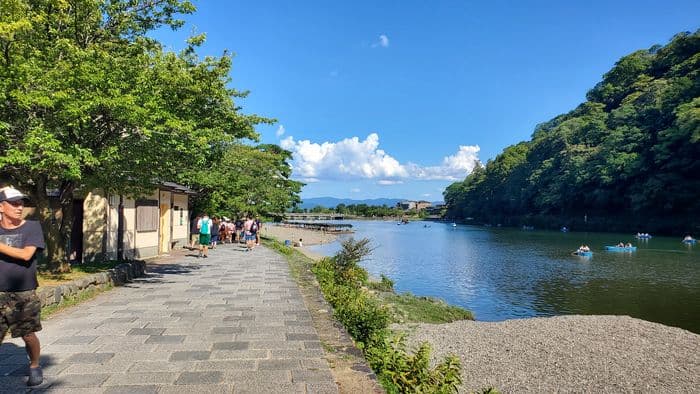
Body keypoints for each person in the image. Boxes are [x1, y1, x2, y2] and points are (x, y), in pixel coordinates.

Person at [0, 187, 45, 386]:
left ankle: (34, 365)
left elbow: (26, 254)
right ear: (1, 207)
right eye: (14, 203)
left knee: (27, 334)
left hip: (23, 292)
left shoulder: (31, 227)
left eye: (22, 203)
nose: (20, 207)